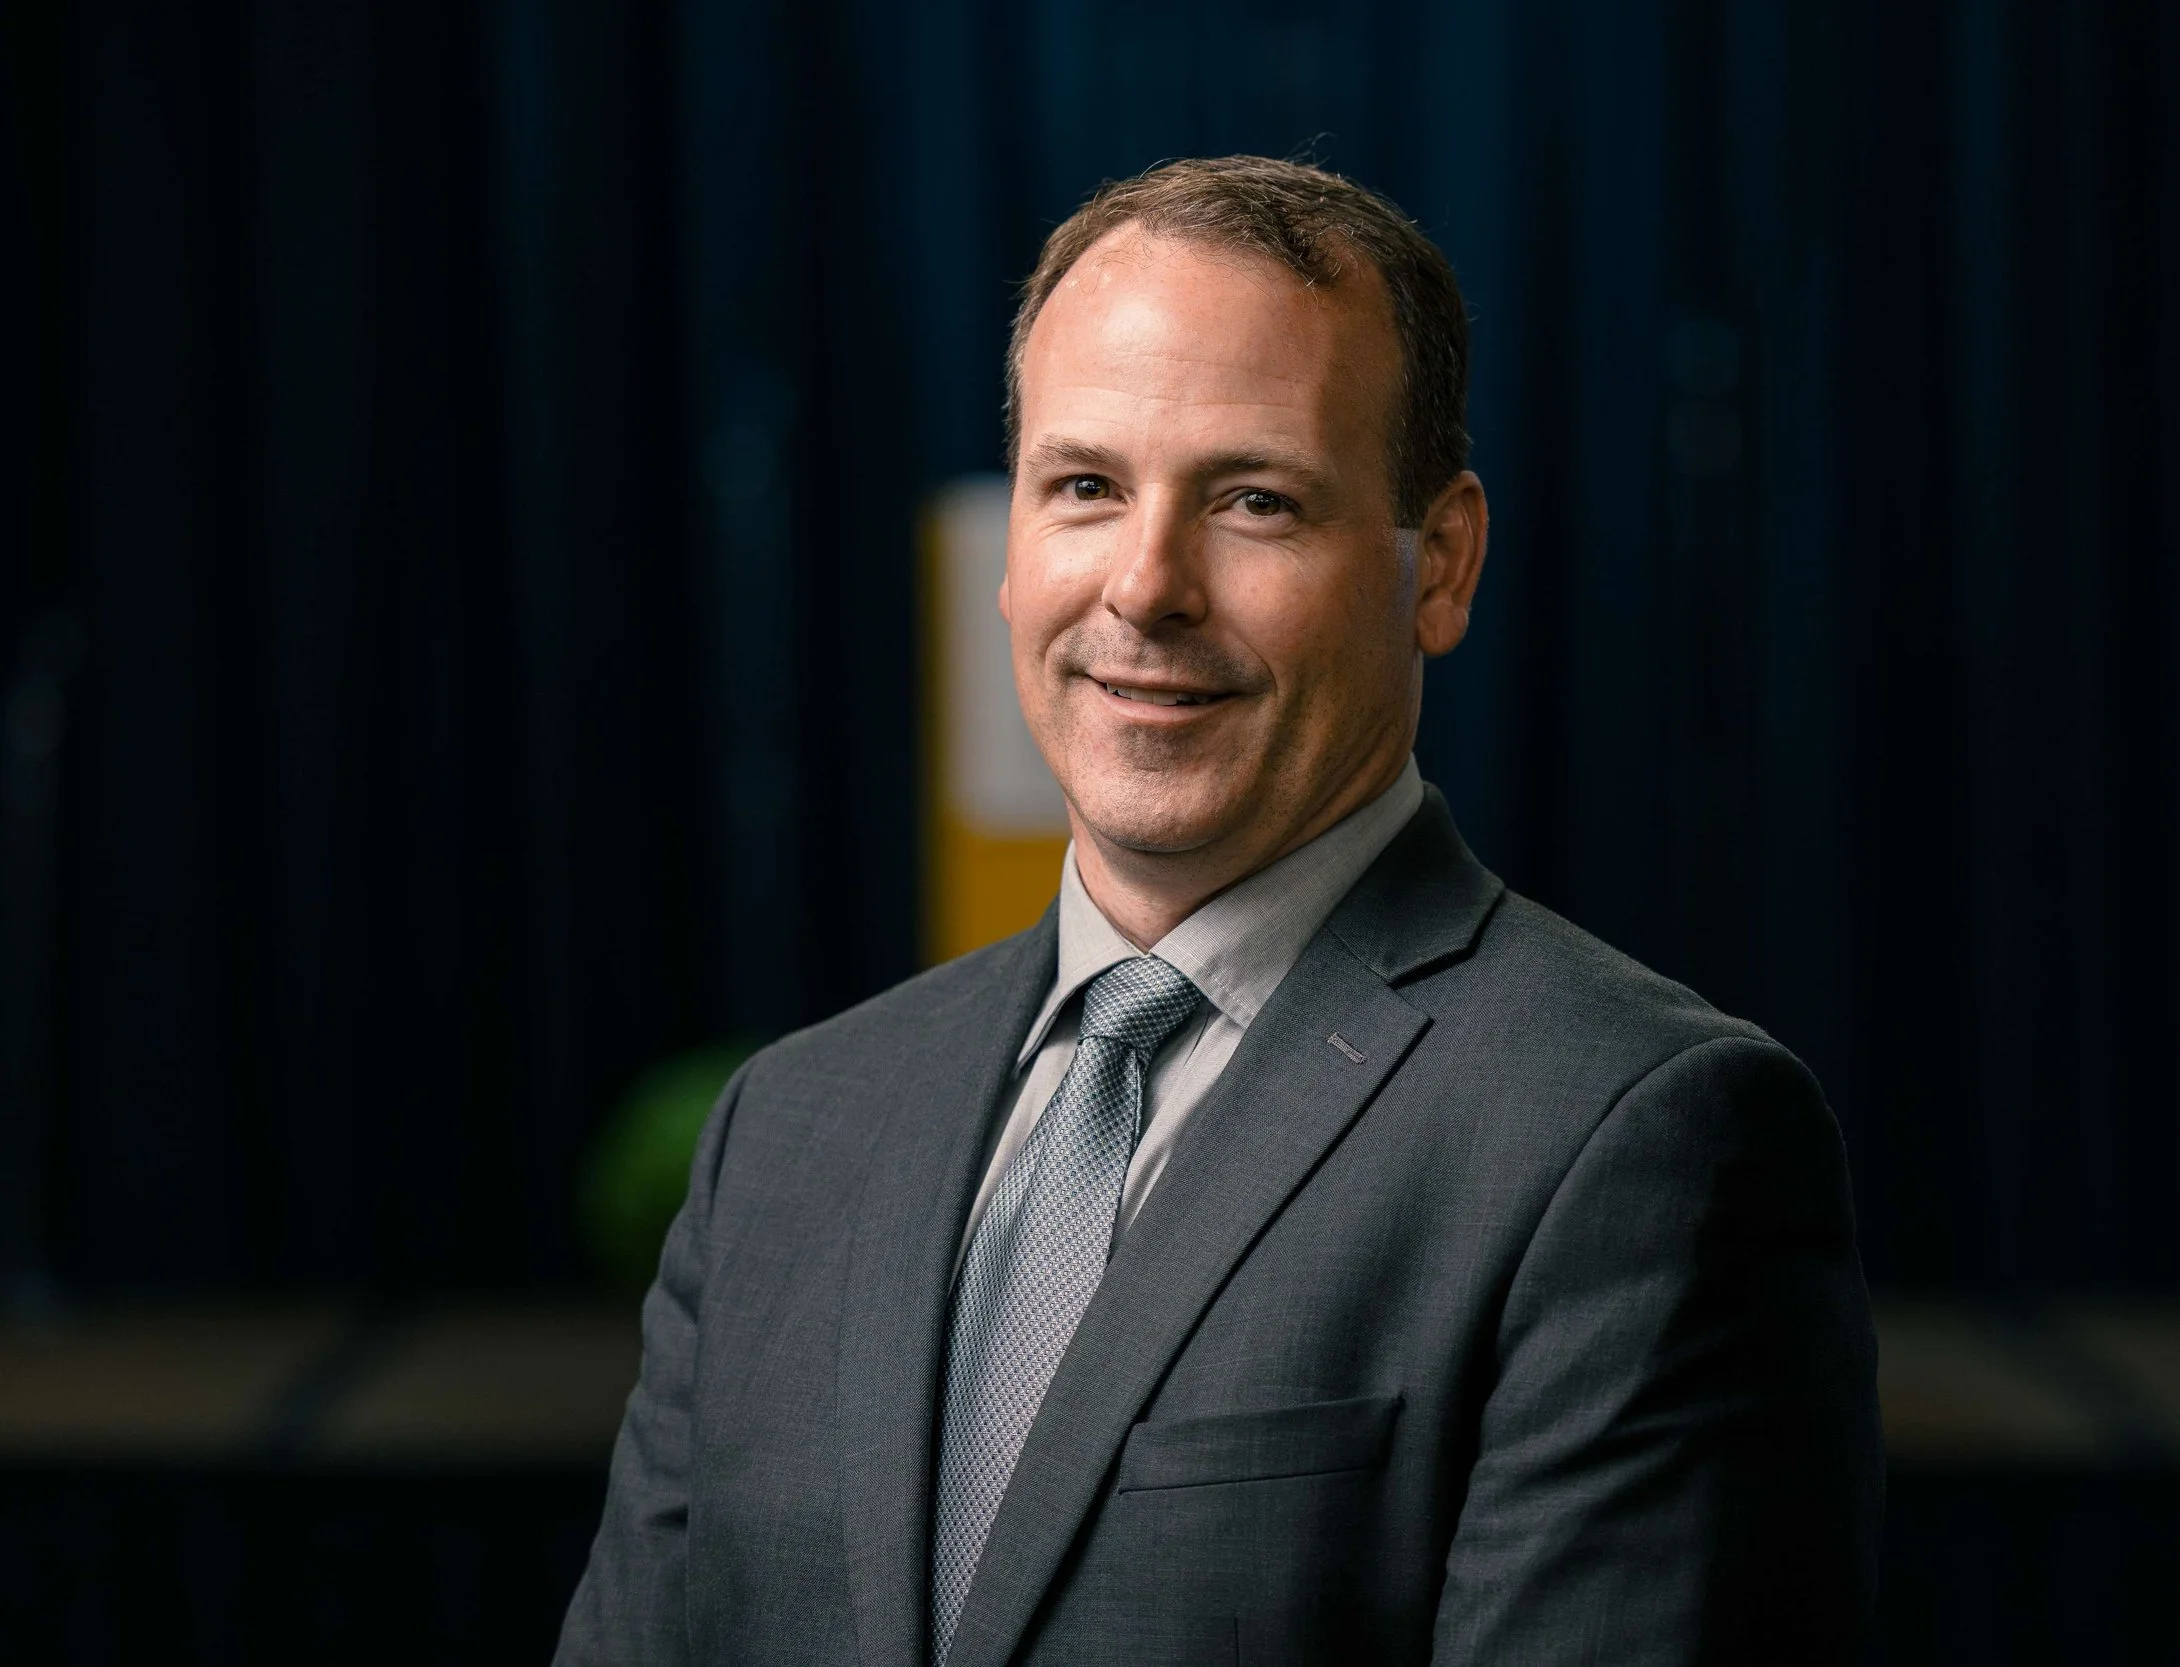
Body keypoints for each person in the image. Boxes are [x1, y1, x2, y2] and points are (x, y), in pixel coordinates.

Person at [557, 155, 1880, 1667]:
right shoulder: (786, 1132)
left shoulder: (1639, 1138)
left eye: (1254, 499)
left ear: (1439, 562)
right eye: (1085, 488)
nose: (1145, 586)